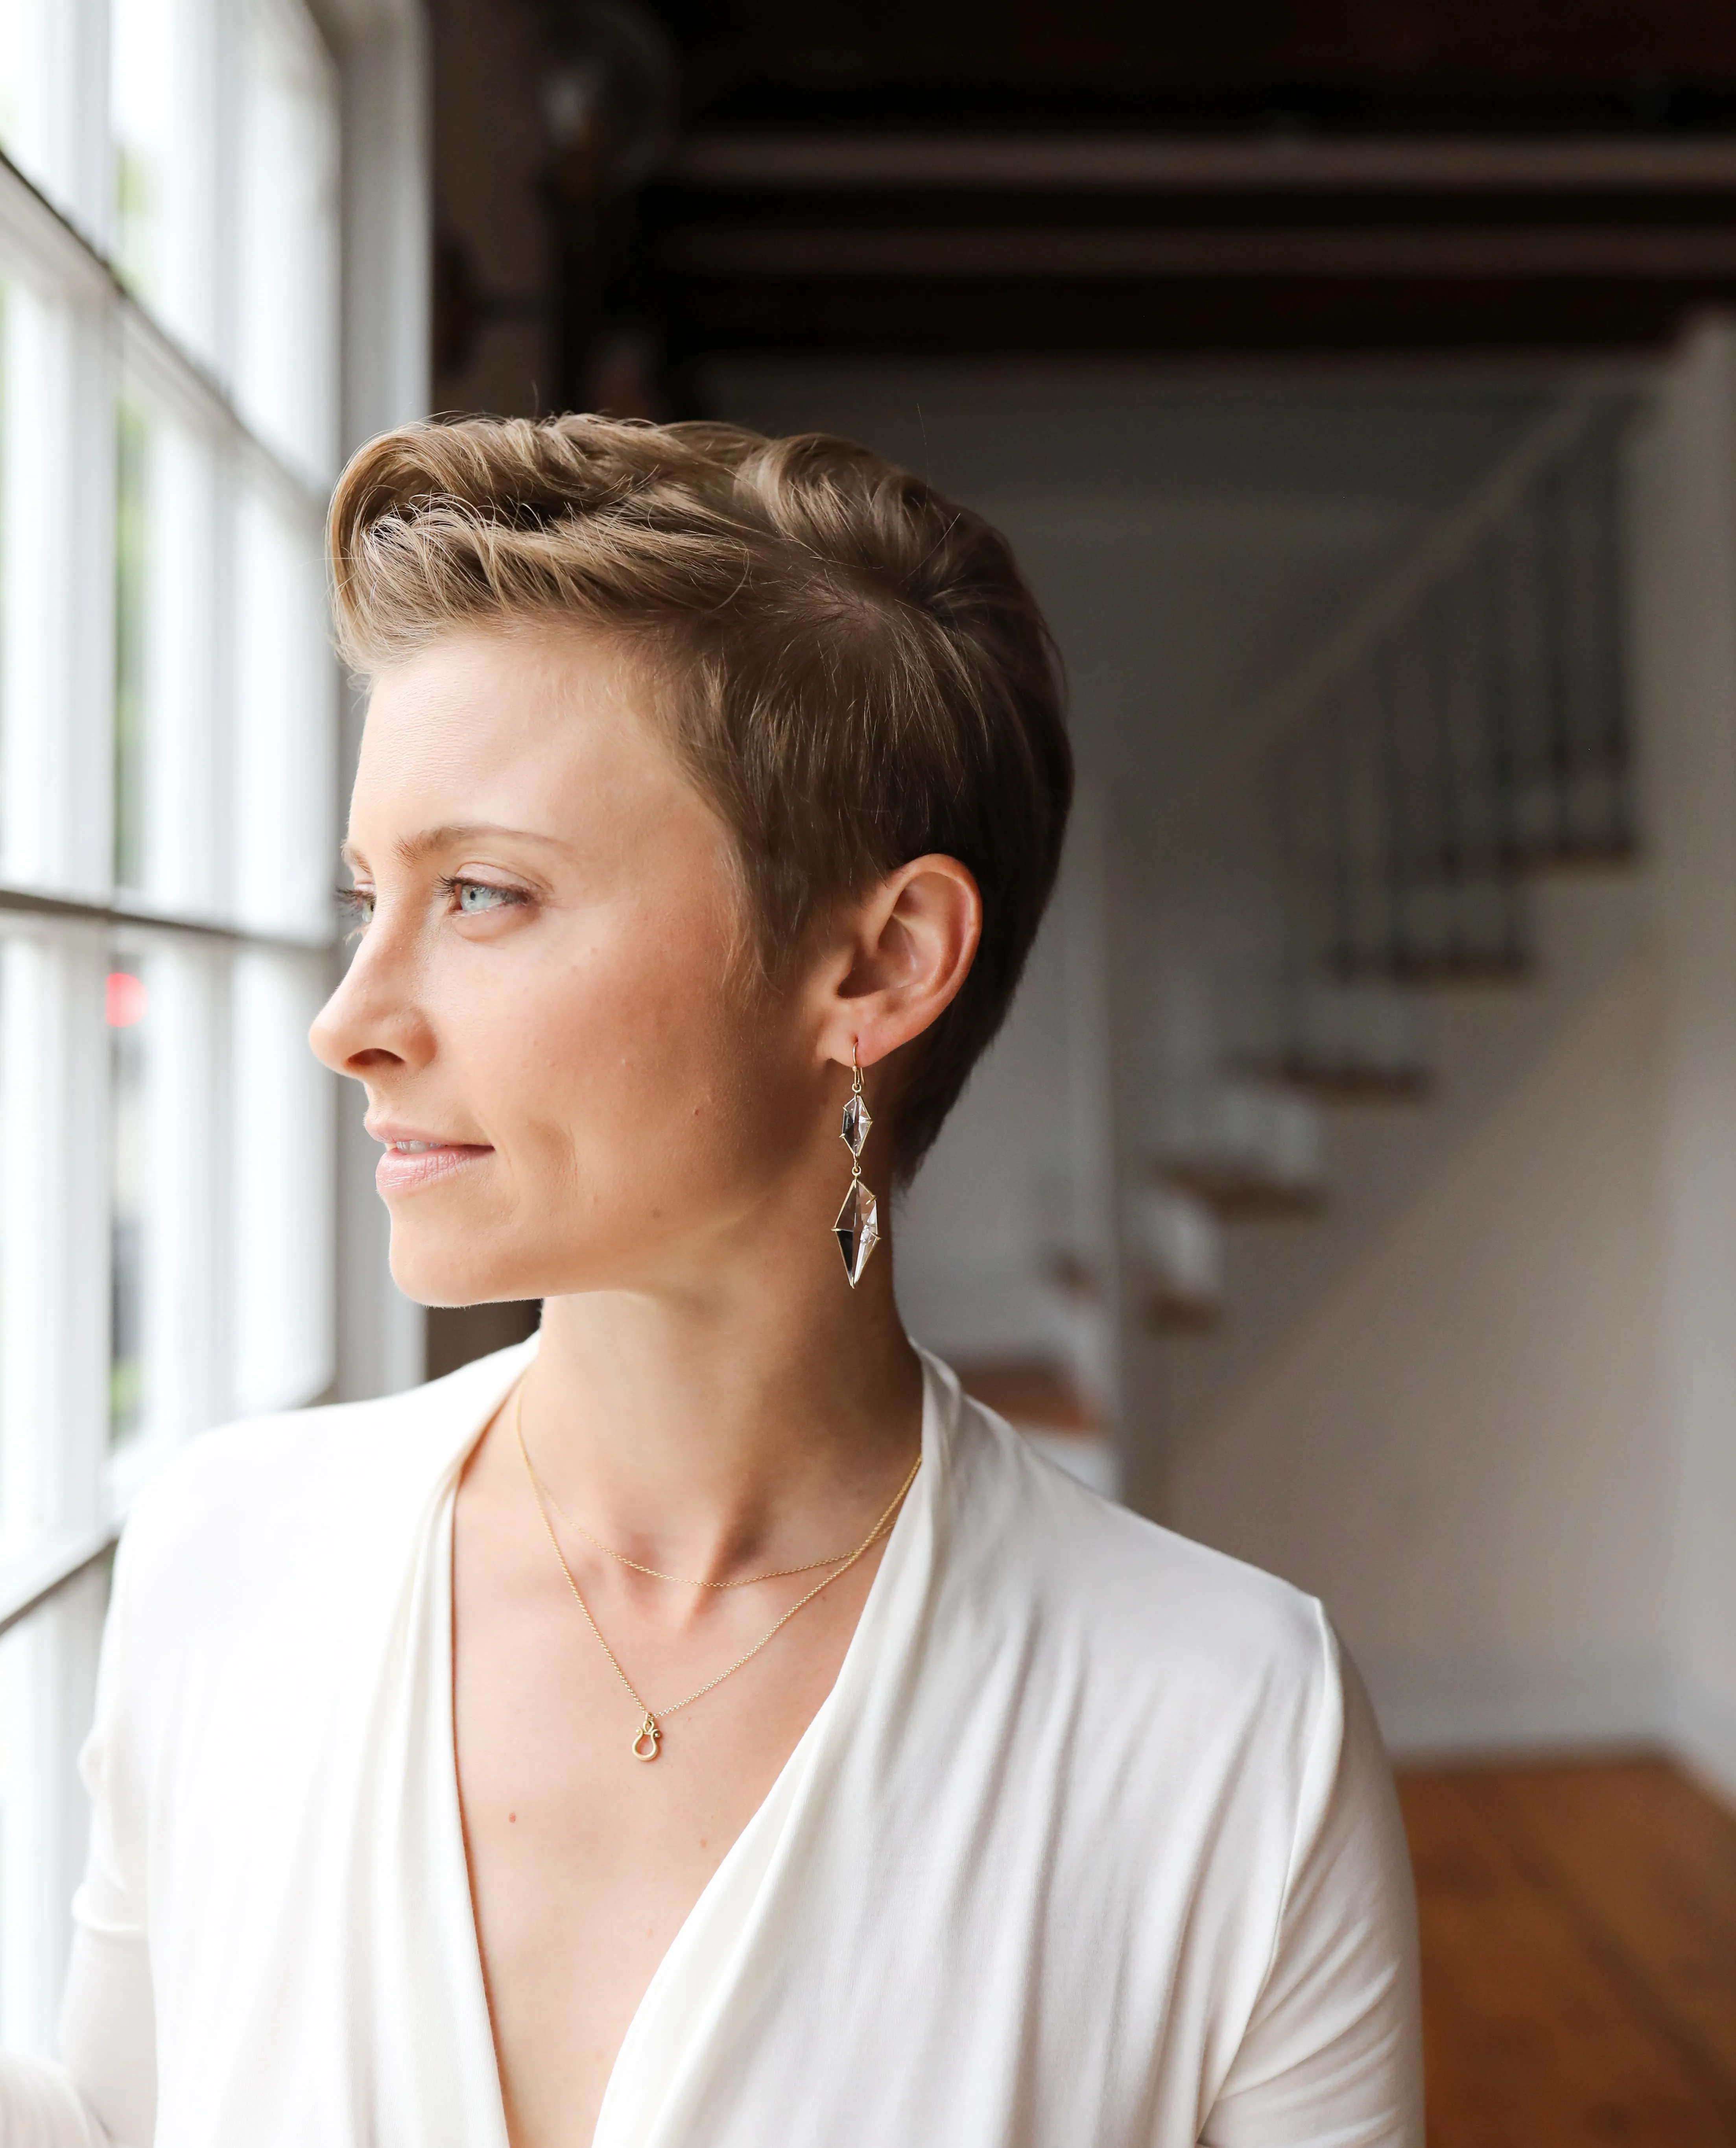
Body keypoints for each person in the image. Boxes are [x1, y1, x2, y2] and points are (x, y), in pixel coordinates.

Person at [2, 416, 1421, 2147]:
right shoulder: (225, 1558)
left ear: (878, 964)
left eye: (482, 892)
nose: (349, 1017)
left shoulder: (1226, 1737)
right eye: (367, 895)